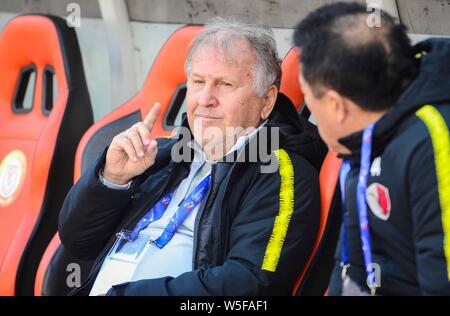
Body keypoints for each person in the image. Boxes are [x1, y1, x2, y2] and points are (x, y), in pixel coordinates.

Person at [59, 18, 327, 296]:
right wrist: (112, 180)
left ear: (267, 100)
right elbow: (79, 242)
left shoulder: (279, 172)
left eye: (225, 84)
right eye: (198, 82)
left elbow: (252, 286)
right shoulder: (161, 155)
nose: (205, 98)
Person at [293, 2, 450, 295]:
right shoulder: (361, 141)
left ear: (336, 105)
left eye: (308, 97)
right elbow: (349, 265)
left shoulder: (434, 141)